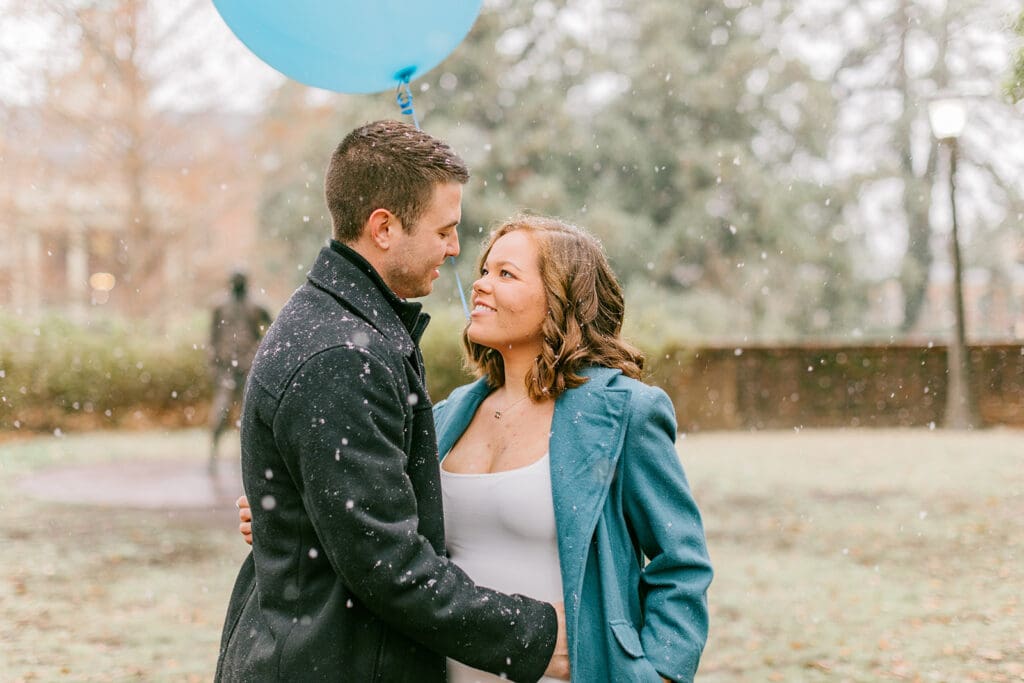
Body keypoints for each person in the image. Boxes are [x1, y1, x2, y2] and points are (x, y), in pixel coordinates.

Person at [239, 214, 713, 681]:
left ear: (564, 299)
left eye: (506, 274)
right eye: (485, 270)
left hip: (574, 669)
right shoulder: (444, 414)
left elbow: (681, 563)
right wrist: (293, 510)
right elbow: (378, 524)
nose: (481, 284)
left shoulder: (626, 412)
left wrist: (662, 672)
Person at [216, 121, 567, 683]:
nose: (455, 250)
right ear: (383, 227)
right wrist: (532, 636)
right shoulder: (341, 353)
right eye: (444, 230)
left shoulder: (347, 325)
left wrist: (290, 513)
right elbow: (386, 564)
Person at [207, 269, 272, 471]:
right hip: (226, 368)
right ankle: (213, 456)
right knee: (221, 413)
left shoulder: (256, 306)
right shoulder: (220, 306)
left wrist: (261, 352)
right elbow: (212, 337)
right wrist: (213, 362)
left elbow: (273, 329)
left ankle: (248, 459)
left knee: (248, 416)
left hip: (248, 367)